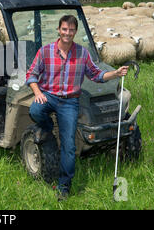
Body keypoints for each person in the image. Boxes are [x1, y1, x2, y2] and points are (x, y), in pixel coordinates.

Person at [26, 15, 128, 200]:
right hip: (48, 96)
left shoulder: (82, 53)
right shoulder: (45, 51)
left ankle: (64, 186)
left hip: (70, 101)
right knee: (34, 110)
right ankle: (48, 127)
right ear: (59, 30)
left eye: (71, 30)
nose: (67, 33)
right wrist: (37, 93)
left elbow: (96, 75)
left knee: (69, 146)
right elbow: (31, 74)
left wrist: (115, 73)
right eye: (64, 29)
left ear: (75, 31)